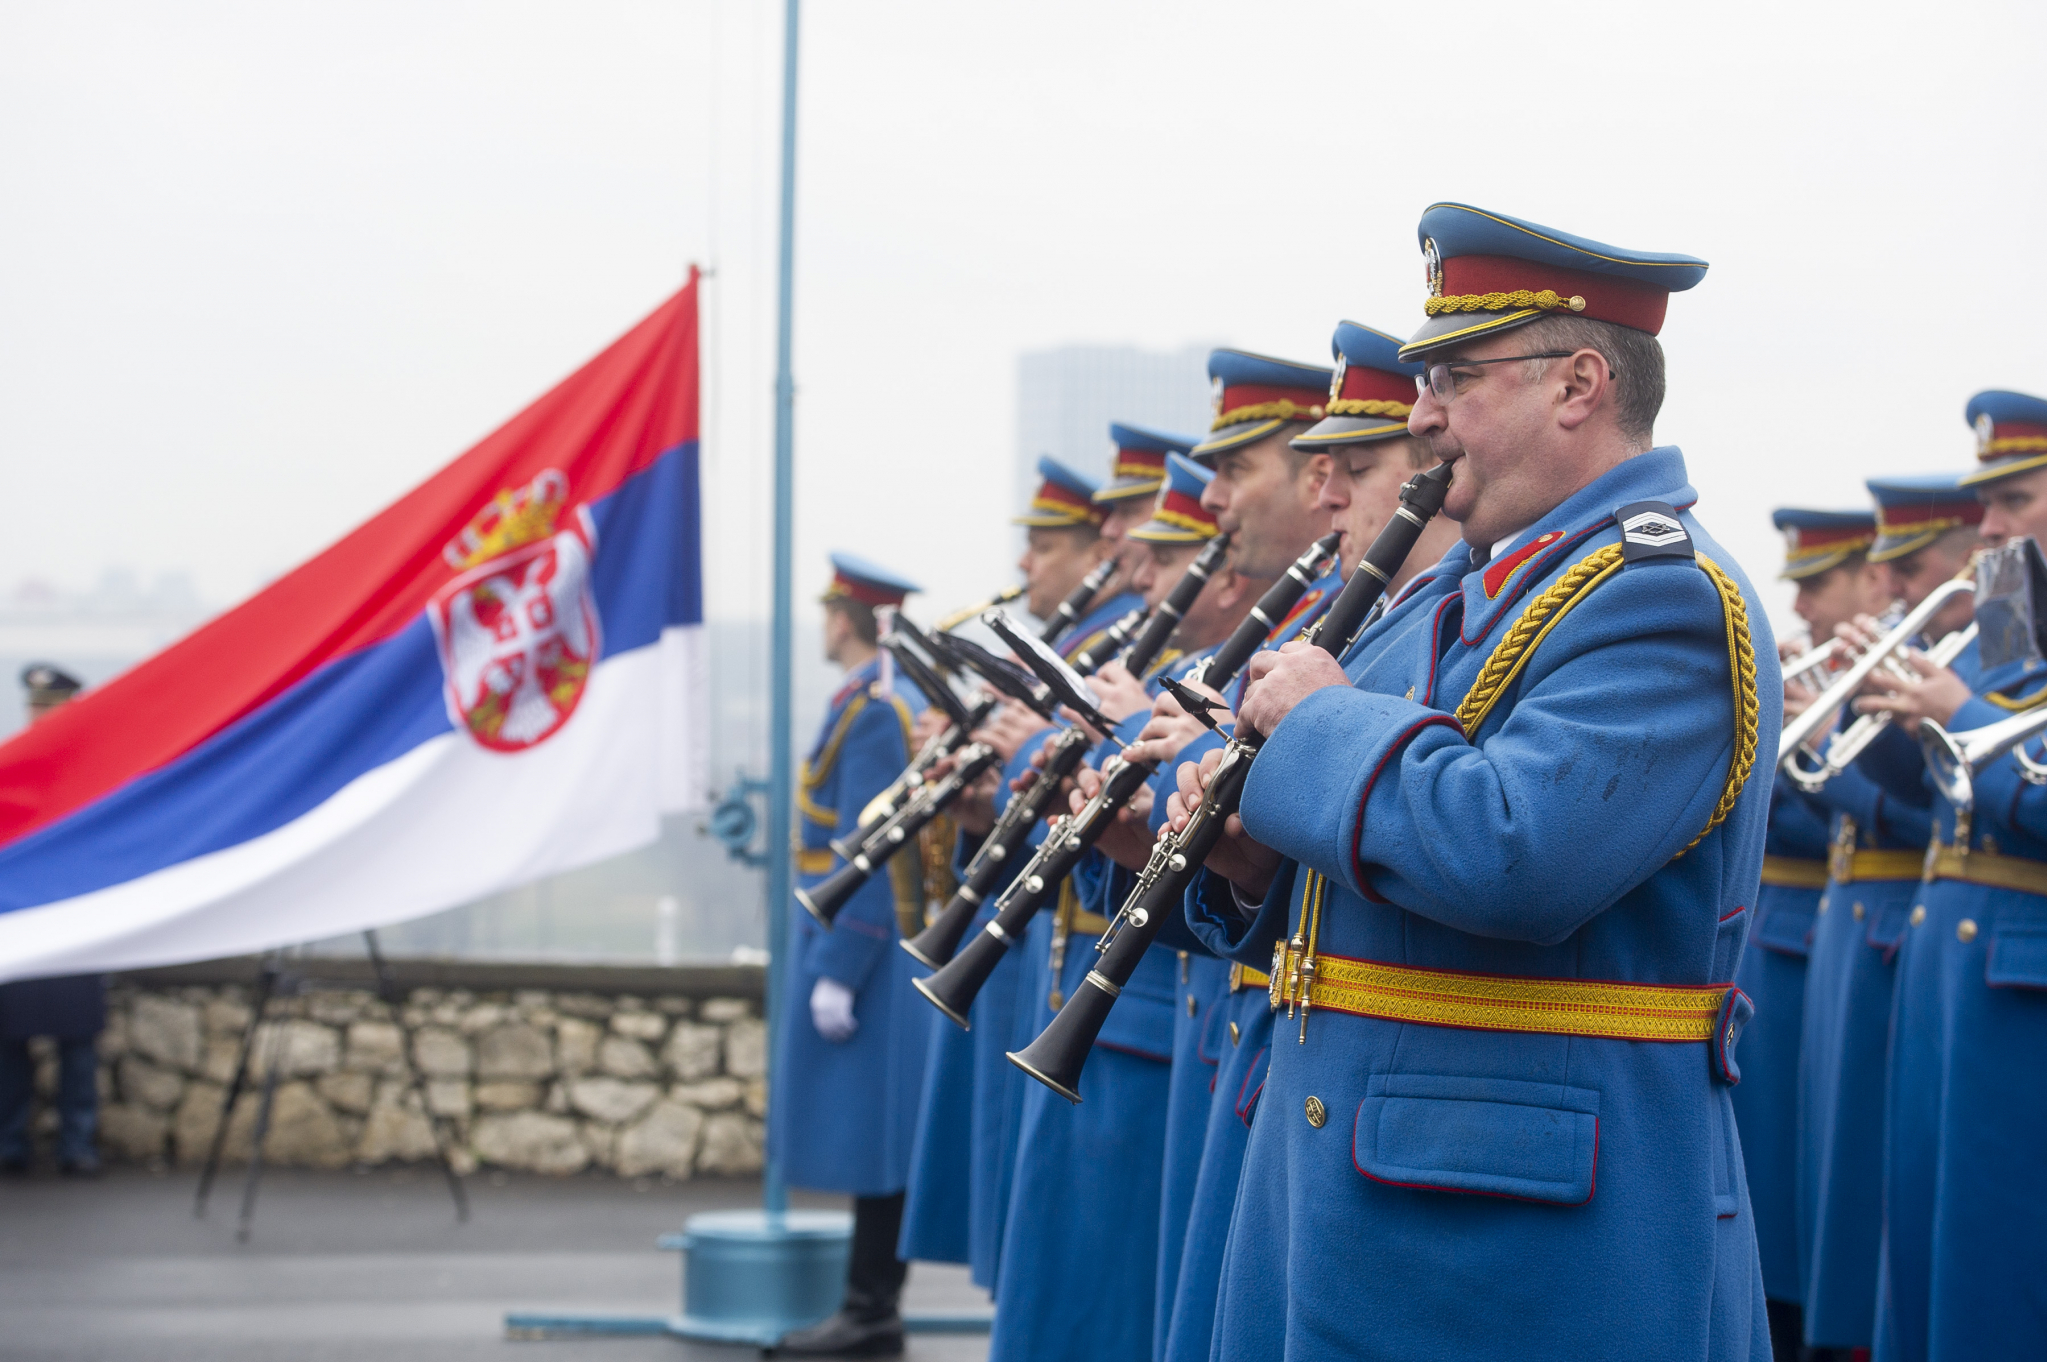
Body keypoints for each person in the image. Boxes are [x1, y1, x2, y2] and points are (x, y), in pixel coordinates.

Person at [1171, 203, 1777, 1360]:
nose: (1422, 414)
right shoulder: (1477, 591)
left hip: (1515, 1250)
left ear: (1577, 384)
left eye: (1453, 375)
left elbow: (1515, 855)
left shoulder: (1659, 596)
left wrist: (1314, 725)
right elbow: (1376, 879)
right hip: (1373, 1199)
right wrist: (1249, 861)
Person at [1156, 319, 1458, 1362]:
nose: (1326, 492)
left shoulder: (1433, 624)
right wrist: (1225, 861)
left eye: (1355, 466)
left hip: (1378, 1089)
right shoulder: (1365, 621)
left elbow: (1470, 846)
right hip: (1283, 1051)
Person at [986, 450, 1255, 1362]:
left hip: (1180, 1020)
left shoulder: (1260, 659)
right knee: (1087, 1291)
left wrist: (1145, 738)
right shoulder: (1176, 662)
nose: (1138, 571)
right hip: (1152, 1001)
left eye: (1164, 555)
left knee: (1132, 1296)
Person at [1851, 391, 2047, 1362]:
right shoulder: (2015, 617)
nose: (1991, 527)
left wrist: (1959, 713)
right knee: (1931, 1248)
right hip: (1952, 974)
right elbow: (1946, 798)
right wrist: (1893, 714)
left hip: (2020, 987)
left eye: (2013, 499)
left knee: (1999, 1266)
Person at [1794, 478, 1979, 1360]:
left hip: (1909, 933)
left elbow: (1934, 814)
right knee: (1852, 1193)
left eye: (1909, 565)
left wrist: (1834, 750)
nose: (1898, 584)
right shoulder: (1966, 660)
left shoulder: (1987, 655)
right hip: (1871, 934)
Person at [771, 556, 932, 1357]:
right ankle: (867, 1306)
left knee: (878, 1138)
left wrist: (841, 967)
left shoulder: (875, 711)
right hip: (847, 940)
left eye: (830, 609)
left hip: (861, 948)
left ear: (846, 618)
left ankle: (871, 1310)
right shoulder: (863, 702)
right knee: (872, 1135)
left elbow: (871, 852)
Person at [1736, 508, 1886, 1355]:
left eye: (1819, 583)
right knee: (1787, 1182)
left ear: (1871, 577)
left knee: (1822, 1185)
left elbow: (1898, 813)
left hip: (1836, 928)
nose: (1805, 605)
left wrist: (1821, 745)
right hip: (1803, 934)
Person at [0, 664, 103, 1178]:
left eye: (49, 705)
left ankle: (77, 1143)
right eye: (35, 706)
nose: (38, 715)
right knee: (10, 1043)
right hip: (20, 922)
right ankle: (9, 1142)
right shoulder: (12, 768)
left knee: (77, 1044)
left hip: (73, 923)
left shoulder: (94, 771)